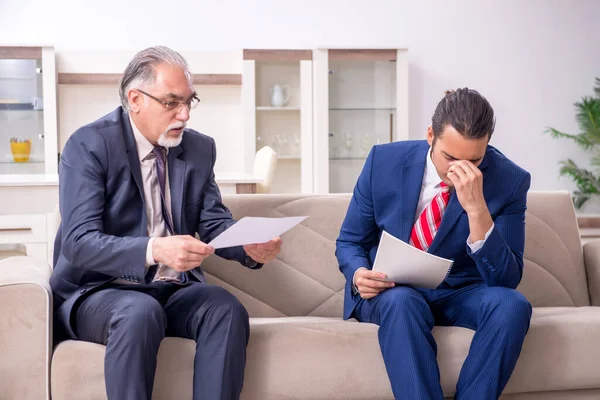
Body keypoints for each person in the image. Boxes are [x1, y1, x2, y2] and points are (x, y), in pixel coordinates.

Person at [50, 46, 281, 400]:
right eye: (172, 102)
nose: (185, 114)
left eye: (190, 101)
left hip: (169, 290)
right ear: (135, 99)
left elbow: (213, 221)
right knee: (139, 312)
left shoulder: (198, 149)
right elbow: (79, 242)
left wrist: (247, 246)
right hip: (97, 291)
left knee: (225, 308)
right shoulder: (89, 145)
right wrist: (156, 249)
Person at [336, 88, 532, 400]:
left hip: (458, 292)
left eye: (475, 160)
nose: (460, 170)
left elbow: (507, 279)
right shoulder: (383, 161)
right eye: (450, 157)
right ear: (431, 135)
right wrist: (358, 273)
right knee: (403, 303)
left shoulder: (510, 180)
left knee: (512, 305)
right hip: (392, 290)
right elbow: (350, 241)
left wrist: (477, 209)